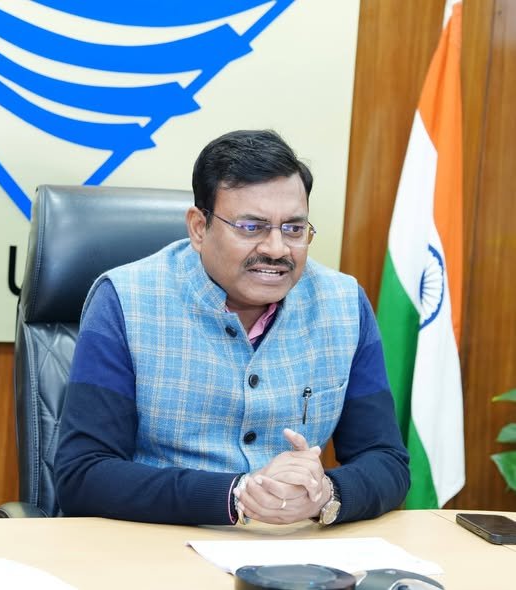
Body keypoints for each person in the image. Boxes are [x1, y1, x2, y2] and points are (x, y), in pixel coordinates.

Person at [54, 129, 409, 526]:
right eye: (251, 227)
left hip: (293, 547)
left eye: (293, 229)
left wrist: (327, 494)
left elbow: (387, 462)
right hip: (155, 542)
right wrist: (237, 495)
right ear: (199, 227)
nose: (276, 249)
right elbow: (83, 474)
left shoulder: (343, 304)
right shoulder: (125, 299)